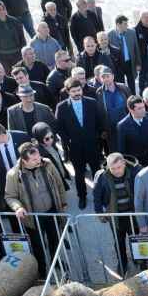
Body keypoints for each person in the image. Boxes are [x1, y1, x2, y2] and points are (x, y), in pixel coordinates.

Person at [5, 142, 65, 278]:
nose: (39, 160)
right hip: (33, 218)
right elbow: (10, 196)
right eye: (34, 159)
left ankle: (57, 262)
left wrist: (63, 203)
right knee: (38, 245)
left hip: (52, 211)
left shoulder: (47, 164)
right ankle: (42, 270)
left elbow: (59, 183)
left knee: (54, 239)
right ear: (24, 161)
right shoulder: (13, 174)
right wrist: (18, 207)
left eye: (38, 156)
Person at [55, 78, 101, 209]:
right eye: (74, 91)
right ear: (68, 92)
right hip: (75, 147)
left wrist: (96, 136)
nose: (77, 93)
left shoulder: (91, 103)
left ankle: (100, 195)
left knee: (97, 172)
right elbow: (59, 127)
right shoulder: (62, 107)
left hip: (92, 145)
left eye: (78, 90)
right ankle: (82, 196)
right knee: (79, 174)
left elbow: (99, 121)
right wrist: (68, 140)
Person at [0, 1, 27, 71]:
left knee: (19, 72)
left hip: (17, 53)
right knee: (8, 73)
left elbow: (22, 37)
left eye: (0, 9)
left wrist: (23, 51)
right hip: (3, 55)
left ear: (4, 9)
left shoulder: (15, 21)